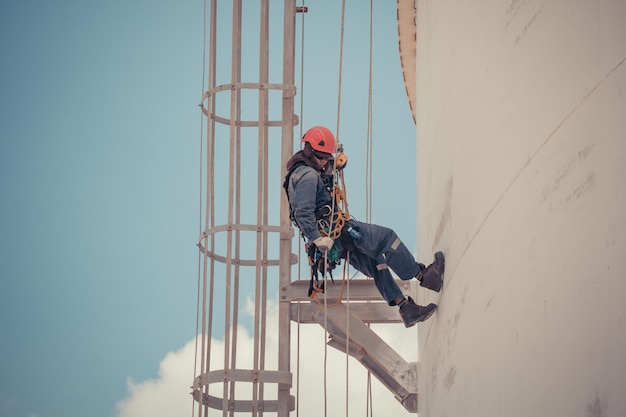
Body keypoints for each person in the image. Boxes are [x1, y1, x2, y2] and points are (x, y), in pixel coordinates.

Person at [284, 126, 445, 328]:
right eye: (322, 158)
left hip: (335, 240)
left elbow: (320, 182)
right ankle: (425, 276)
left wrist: (335, 163)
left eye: (327, 157)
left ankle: (406, 309)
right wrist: (317, 237)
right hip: (338, 231)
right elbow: (303, 212)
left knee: (376, 262)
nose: (325, 162)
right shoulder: (307, 176)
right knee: (387, 239)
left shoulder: (303, 171)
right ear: (308, 151)